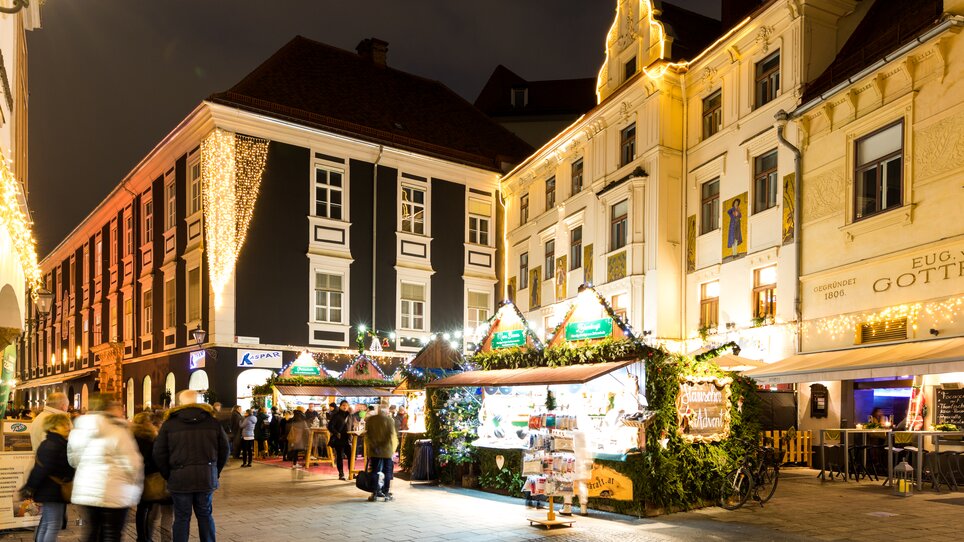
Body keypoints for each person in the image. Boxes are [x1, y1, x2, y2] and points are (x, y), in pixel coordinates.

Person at [154, 390, 229, 542]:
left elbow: (158, 453)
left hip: (179, 477)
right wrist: (214, 470)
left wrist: (169, 474)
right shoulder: (212, 422)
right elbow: (225, 450)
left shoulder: (170, 423)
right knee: (205, 514)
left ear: (180, 403)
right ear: (198, 400)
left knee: (182, 517)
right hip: (206, 476)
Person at [68, 394, 144, 542]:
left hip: (86, 490)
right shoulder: (118, 431)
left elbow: (73, 460)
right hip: (114, 490)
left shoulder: (78, 430)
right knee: (111, 534)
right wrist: (134, 486)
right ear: (109, 409)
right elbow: (132, 463)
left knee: (92, 531)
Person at [21, 413, 74, 542]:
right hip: (51, 490)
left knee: (47, 522)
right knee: (53, 524)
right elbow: (41, 470)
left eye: (68, 423)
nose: (68, 427)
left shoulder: (55, 442)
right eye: (63, 424)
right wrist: (30, 487)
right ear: (53, 427)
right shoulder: (52, 444)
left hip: (51, 490)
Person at [132, 411, 171, 542]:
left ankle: (141, 537)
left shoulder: (130, 436)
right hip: (150, 476)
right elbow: (156, 457)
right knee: (149, 508)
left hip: (135, 476)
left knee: (141, 509)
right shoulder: (151, 437)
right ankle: (146, 537)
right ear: (147, 422)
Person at [365, 401, 399, 501]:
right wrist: (390, 447)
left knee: (374, 471)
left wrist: (374, 446)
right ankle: (386, 492)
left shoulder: (371, 420)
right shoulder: (389, 420)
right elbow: (391, 435)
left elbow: (368, 435)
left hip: (374, 450)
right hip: (386, 450)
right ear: (386, 410)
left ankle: (374, 493)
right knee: (387, 472)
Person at [327, 400, 354, 480]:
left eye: (346, 405)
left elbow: (351, 426)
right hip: (339, 439)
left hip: (348, 439)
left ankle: (351, 472)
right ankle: (341, 474)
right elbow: (330, 426)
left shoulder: (350, 415)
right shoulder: (336, 415)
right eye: (343, 405)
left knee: (351, 456)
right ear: (340, 406)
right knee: (340, 456)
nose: (345, 407)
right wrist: (336, 433)